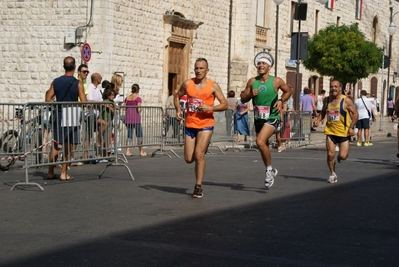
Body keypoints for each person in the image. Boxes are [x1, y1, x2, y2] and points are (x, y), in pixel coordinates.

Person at [174, 57, 228, 198]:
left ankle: (198, 186)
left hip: (206, 124)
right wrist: (178, 110)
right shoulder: (187, 84)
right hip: (190, 124)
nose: (198, 71)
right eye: (196, 68)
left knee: (198, 155)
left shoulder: (213, 86)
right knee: (188, 159)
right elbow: (177, 96)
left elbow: (225, 104)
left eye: (201, 68)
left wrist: (210, 107)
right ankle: (201, 151)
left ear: (207, 70)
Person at [240, 56, 292, 188]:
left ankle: (268, 170)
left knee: (259, 141)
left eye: (263, 63)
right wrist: (251, 95)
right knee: (264, 147)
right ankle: (271, 169)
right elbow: (243, 98)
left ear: (269, 66)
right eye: (259, 63)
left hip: (272, 116)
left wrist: (281, 100)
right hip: (259, 118)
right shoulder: (252, 81)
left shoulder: (276, 81)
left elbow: (288, 91)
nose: (261, 65)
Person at [45, 56, 87, 181]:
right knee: (69, 145)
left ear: (64, 67)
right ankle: (63, 173)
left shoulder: (56, 81)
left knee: (57, 144)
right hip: (72, 114)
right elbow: (83, 101)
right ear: (74, 67)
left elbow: (48, 99)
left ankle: (50, 171)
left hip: (59, 113)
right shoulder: (78, 83)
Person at [314, 79, 358, 184]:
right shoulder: (327, 100)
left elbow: (355, 114)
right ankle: (332, 174)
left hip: (343, 132)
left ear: (340, 88)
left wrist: (352, 126)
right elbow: (324, 111)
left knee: (343, 156)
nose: (333, 88)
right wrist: (318, 120)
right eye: (331, 86)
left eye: (335, 87)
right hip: (330, 131)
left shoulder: (346, 100)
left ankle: (340, 158)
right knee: (330, 154)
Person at [124, 83, 147, 157]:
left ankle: (127, 151)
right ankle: (141, 151)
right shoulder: (138, 98)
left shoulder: (127, 98)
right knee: (139, 135)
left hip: (128, 118)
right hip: (136, 119)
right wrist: (142, 109)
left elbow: (124, 108)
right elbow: (139, 109)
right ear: (138, 90)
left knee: (129, 135)